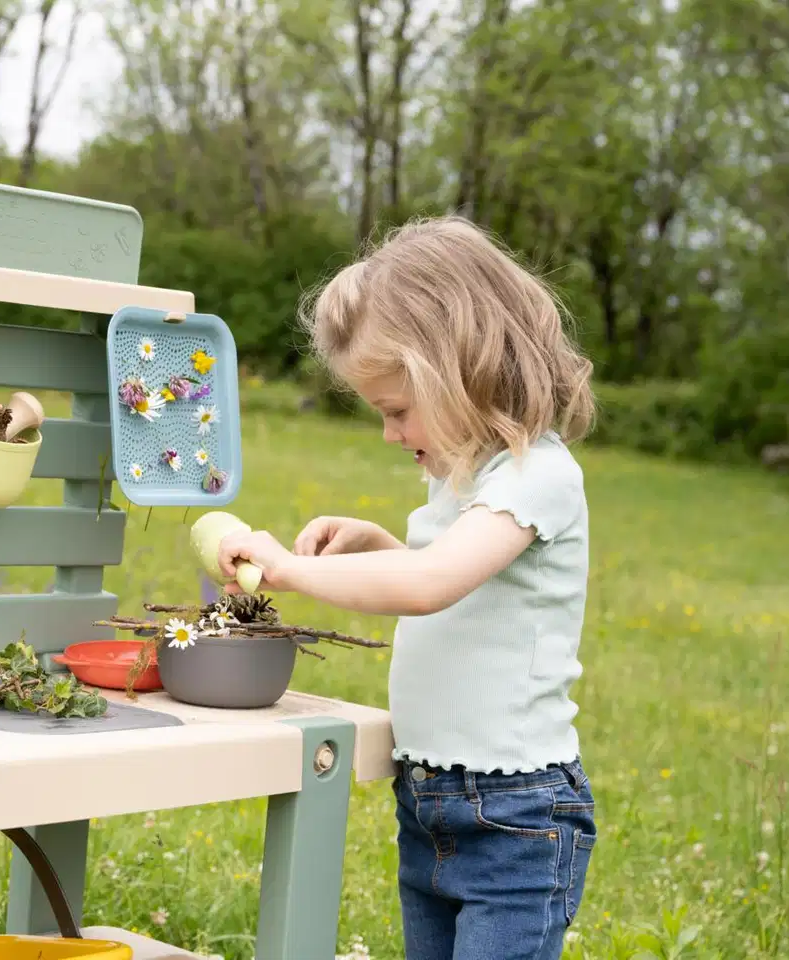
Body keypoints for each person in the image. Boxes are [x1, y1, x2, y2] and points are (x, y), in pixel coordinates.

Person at [216, 215, 598, 959]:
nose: (390, 434)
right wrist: (379, 542)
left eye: (396, 409)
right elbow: (460, 587)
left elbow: (429, 585)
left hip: (515, 816)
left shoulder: (539, 474)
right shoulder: (459, 479)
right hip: (429, 803)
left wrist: (293, 570)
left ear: (459, 368)